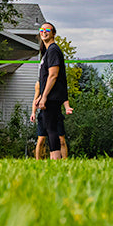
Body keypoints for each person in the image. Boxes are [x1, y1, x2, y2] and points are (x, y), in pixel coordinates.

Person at [35, 22, 68, 161]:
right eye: (41, 30)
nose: (44, 32)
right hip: (50, 96)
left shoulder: (53, 50)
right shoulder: (48, 51)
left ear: (53, 33)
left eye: (47, 29)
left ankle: (55, 159)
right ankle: (56, 159)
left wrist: (44, 97)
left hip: (52, 98)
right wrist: (41, 95)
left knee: (52, 130)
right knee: (51, 130)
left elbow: (53, 75)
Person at [32, 78, 73, 159]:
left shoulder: (57, 81)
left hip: (56, 113)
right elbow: (35, 99)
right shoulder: (39, 84)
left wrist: (67, 107)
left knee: (61, 140)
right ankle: (37, 161)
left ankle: (65, 161)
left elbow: (64, 96)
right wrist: (33, 112)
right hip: (44, 114)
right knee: (41, 140)